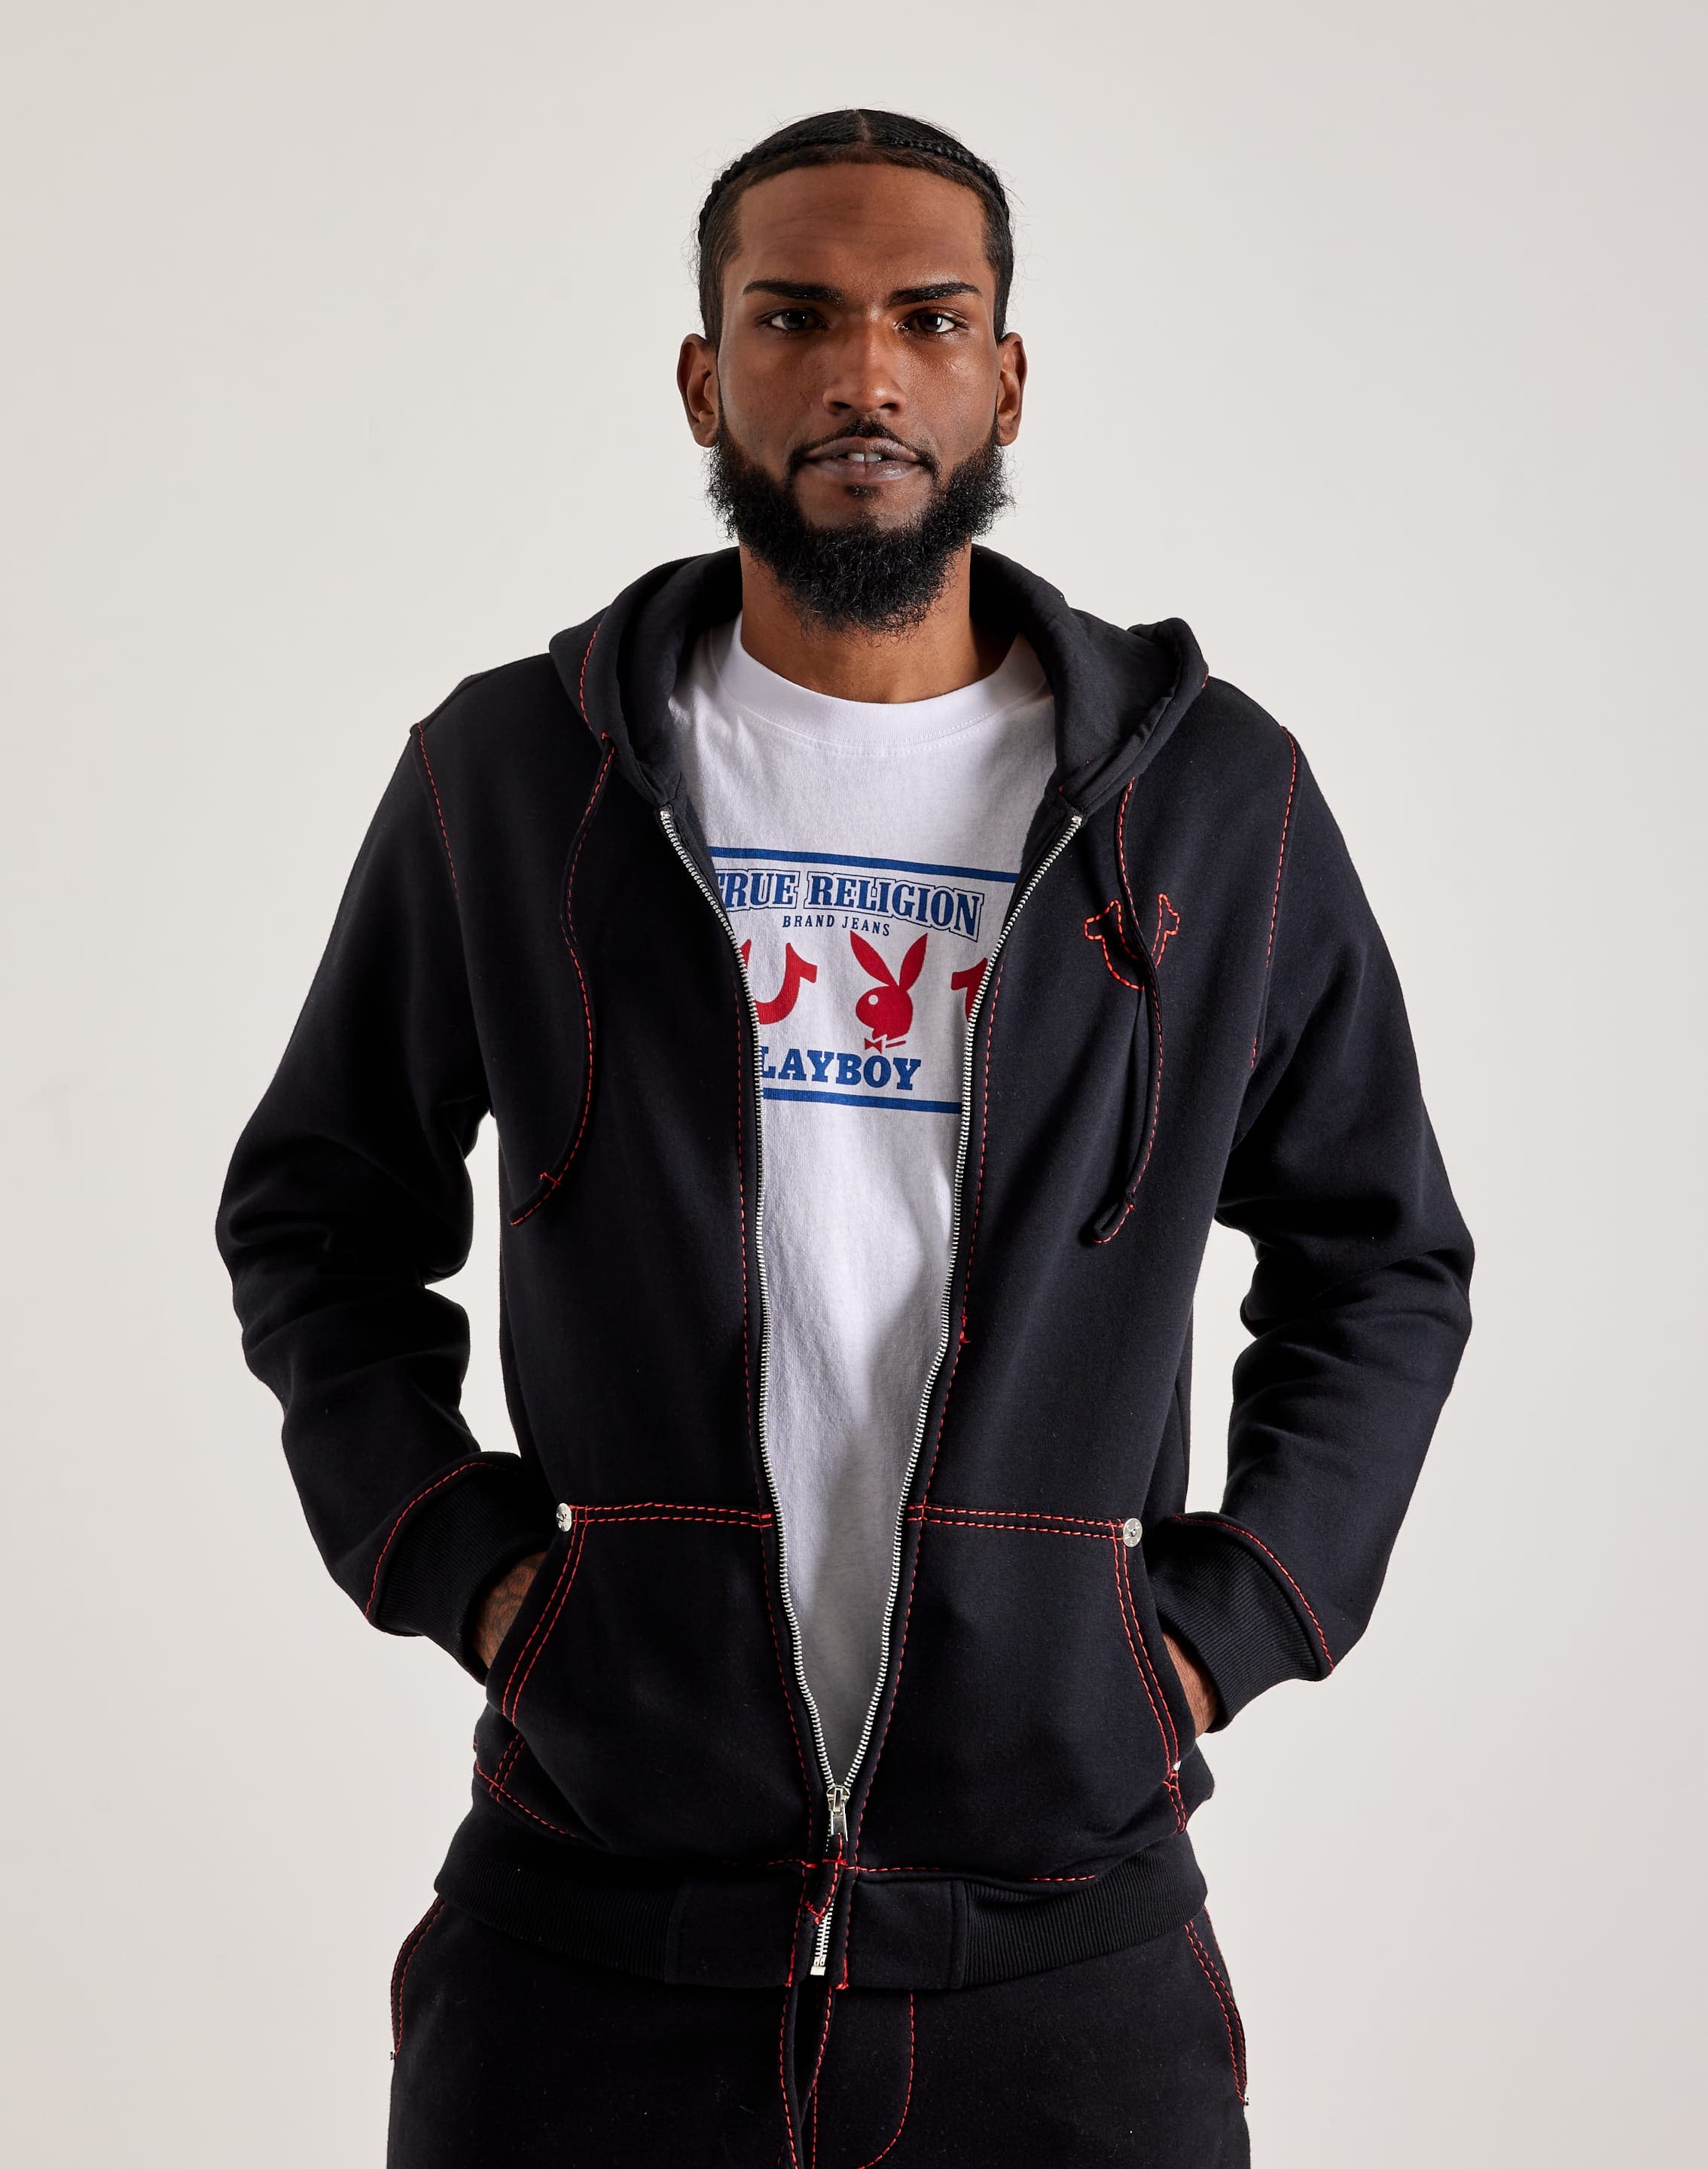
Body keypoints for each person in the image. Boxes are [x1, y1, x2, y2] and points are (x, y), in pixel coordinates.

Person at [216, 108, 1473, 2167]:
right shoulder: (516, 778)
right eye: (793, 317)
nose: (863, 373)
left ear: (1005, 378)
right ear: (704, 376)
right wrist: (474, 1571)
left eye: (928, 319)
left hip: (1058, 1949)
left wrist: (1210, 1634)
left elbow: (1381, 1257)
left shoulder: (1207, 803)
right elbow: (319, 1220)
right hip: (589, 1937)